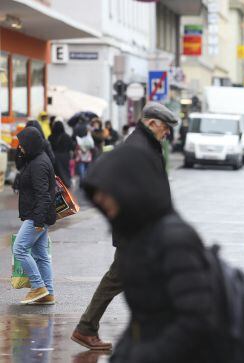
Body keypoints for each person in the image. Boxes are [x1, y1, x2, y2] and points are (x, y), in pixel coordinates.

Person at [80, 145, 225, 362]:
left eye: (105, 193)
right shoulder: (134, 239)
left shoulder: (174, 240)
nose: (100, 200)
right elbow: (144, 319)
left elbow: (197, 321)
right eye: (96, 196)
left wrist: (146, 355)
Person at [71, 102, 179, 350]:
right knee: (119, 278)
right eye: (165, 128)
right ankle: (87, 328)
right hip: (137, 231)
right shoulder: (138, 148)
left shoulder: (146, 144)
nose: (167, 133)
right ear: (152, 124)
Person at [12, 127, 56, 305]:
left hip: (37, 215)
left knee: (19, 249)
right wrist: (21, 152)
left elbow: (43, 195)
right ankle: (48, 293)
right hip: (40, 214)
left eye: (22, 144)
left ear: (30, 144)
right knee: (40, 254)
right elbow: (20, 164)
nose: (20, 147)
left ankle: (38, 287)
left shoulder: (38, 164)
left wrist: (38, 220)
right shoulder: (36, 158)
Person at [49, 121, 76, 188]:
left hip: (54, 157)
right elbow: (72, 147)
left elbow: (49, 147)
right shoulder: (66, 136)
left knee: (56, 172)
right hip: (65, 157)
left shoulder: (51, 137)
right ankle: (66, 184)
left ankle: (57, 185)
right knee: (65, 171)